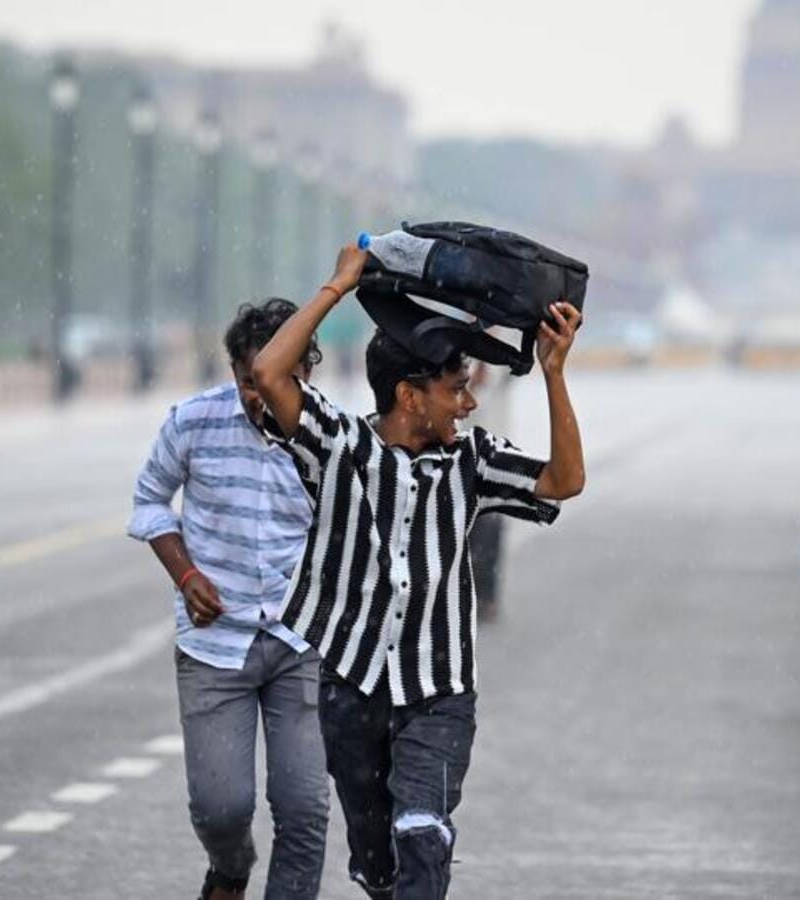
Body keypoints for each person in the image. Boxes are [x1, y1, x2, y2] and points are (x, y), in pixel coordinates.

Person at [251, 245, 586, 899]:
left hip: (438, 694)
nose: (466, 405)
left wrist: (554, 372)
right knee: (381, 869)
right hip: (353, 693)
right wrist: (337, 286)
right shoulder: (339, 447)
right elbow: (268, 373)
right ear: (409, 395)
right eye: (454, 389)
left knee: (423, 835)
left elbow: (563, 481)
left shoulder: (474, 461)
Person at [128, 299, 330, 900]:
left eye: (279, 379)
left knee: (304, 809)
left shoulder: (332, 437)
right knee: (222, 808)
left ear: (306, 371)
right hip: (215, 649)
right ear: (236, 373)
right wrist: (185, 574)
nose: (261, 396)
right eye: (250, 382)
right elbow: (148, 502)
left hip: (301, 646)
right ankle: (231, 869)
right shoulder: (192, 422)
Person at [465, 360, 514, 623]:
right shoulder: (459, 366)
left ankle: (488, 598)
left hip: (495, 463)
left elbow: (504, 372)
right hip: (464, 463)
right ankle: (470, 598)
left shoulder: (501, 363)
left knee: (491, 534)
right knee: (468, 537)